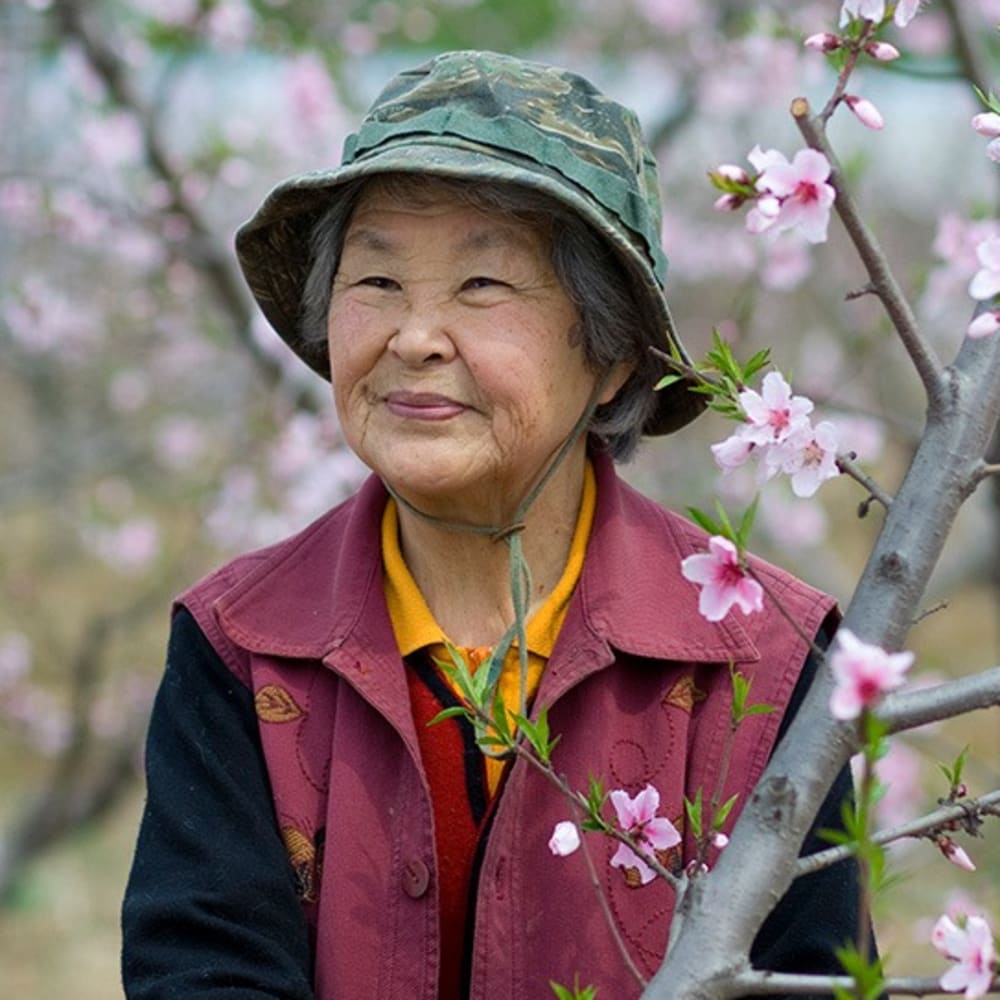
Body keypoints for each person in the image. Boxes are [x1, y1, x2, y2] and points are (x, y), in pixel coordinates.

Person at [121, 50, 863, 1000]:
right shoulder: (240, 645)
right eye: (377, 283)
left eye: (482, 286)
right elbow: (202, 972)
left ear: (614, 360)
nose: (415, 336)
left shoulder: (769, 656)